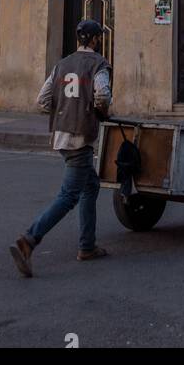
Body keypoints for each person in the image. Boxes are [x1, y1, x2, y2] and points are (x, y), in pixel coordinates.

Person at [9, 19, 112, 277]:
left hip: (61, 137)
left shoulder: (61, 65)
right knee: (68, 196)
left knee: (91, 185)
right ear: (96, 39)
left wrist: (64, 112)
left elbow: (42, 100)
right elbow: (103, 95)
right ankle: (29, 240)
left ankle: (87, 246)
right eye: (99, 37)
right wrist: (100, 111)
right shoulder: (98, 64)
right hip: (80, 139)